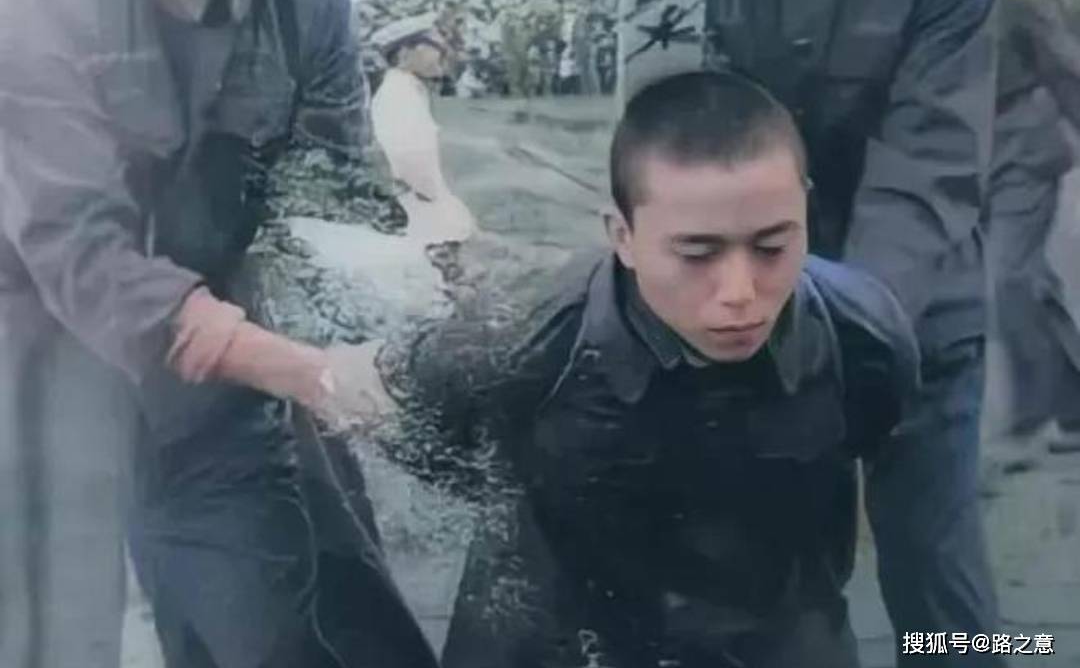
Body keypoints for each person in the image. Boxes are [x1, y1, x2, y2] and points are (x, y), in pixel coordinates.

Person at [354, 71, 920, 668]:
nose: (739, 291)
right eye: (698, 254)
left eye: (772, 247)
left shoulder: (862, 335)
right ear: (621, 236)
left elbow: (875, 456)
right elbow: (379, 403)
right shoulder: (520, 343)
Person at [0, 0, 440, 666]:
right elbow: (76, 245)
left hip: (219, 385)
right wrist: (307, 371)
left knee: (269, 621)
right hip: (50, 365)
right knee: (50, 636)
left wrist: (412, 286)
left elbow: (332, 203)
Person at [700, 0, 1001, 662]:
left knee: (931, 564)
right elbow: (718, 118)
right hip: (767, 308)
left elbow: (927, 163)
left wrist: (845, 317)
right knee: (778, 566)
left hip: (919, 311)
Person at [986, 0, 1080, 458]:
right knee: (1030, 282)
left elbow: (1066, 71)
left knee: (1009, 279)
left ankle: (1028, 421)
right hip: (960, 156)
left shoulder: (1014, 0)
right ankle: (1074, 405)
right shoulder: (910, 3)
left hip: (1023, 145)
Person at [371, 12, 478, 246]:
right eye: (433, 45)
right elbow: (412, 168)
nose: (442, 51)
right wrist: (438, 208)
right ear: (405, 53)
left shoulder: (407, 88)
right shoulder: (399, 95)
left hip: (424, 209)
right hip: (421, 217)